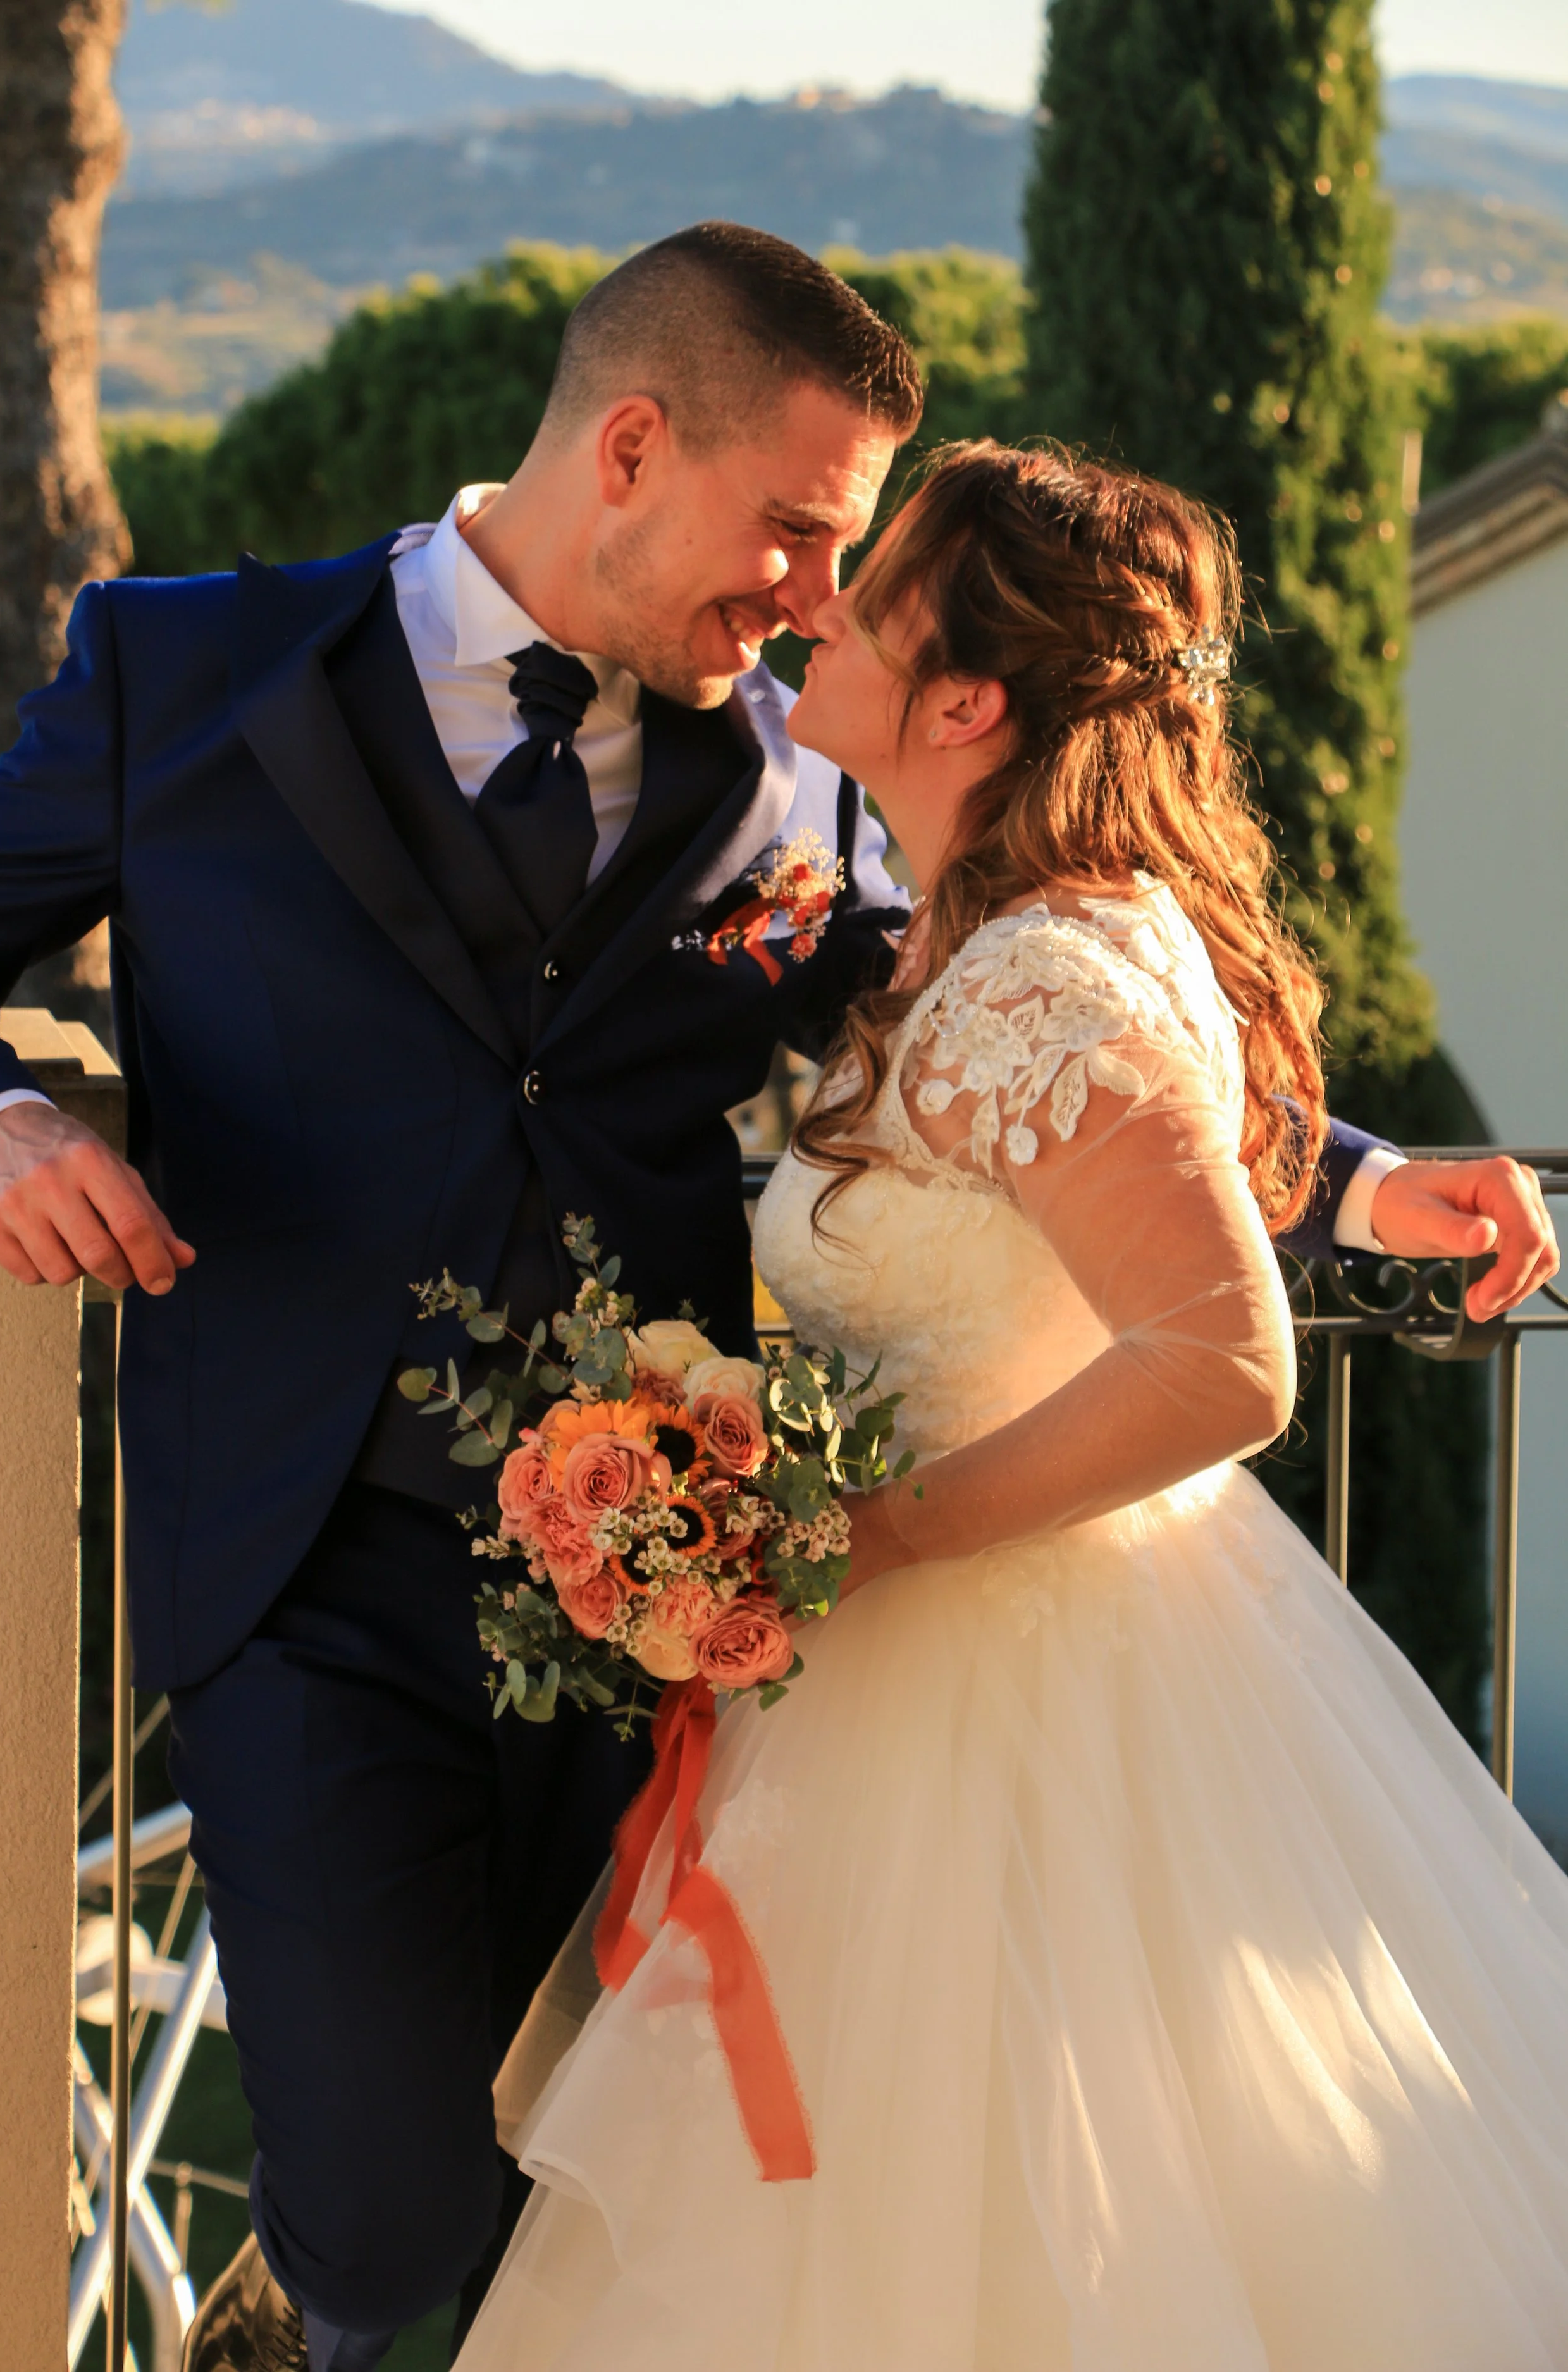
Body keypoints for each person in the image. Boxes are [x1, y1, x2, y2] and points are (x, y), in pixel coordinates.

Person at [0, 232, 1550, 2371]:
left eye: (849, 562)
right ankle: (314, 2311)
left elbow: (1024, 1054)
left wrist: (1359, 1178)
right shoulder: (181, 675)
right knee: (381, 2198)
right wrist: (3, 1111)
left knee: (634, 2198)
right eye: (802, 529)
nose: (818, 593)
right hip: (303, 1566)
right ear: (630, 445)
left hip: (676, 1617)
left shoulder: (807, 776)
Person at [454, 445, 1568, 2372]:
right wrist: (1370, 1183)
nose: (820, 603)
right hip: (953, 1667)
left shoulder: (1033, 969)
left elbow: (1222, 1359)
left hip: (1006, 1693)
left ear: (965, 700)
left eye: (870, 590)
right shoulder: (998, 921)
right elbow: (1150, 1159)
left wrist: (861, 1534)